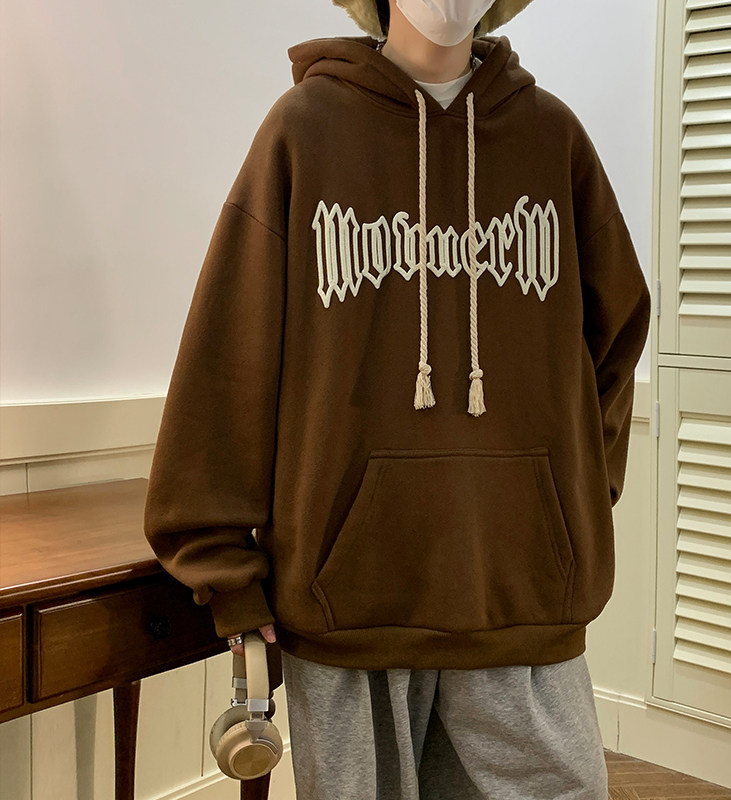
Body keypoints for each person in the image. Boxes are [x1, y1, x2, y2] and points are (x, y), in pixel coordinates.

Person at [143, 0, 651, 797]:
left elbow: (617, 333)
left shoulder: (552, 138)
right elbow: (229, 356)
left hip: (521, 597)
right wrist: (225, 569)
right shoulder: (303, 131)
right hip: (349, 604)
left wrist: (572, 501)